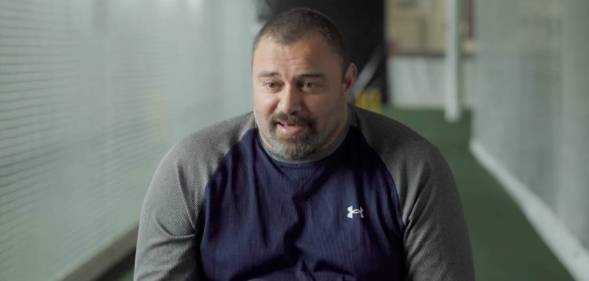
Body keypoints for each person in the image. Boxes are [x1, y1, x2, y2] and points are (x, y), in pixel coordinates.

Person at [134, 8, 474, 281]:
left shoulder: (411, 168)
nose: (288, 104)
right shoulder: (192, 169)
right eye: (271, 84)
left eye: (308, 84)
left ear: (347, 82)